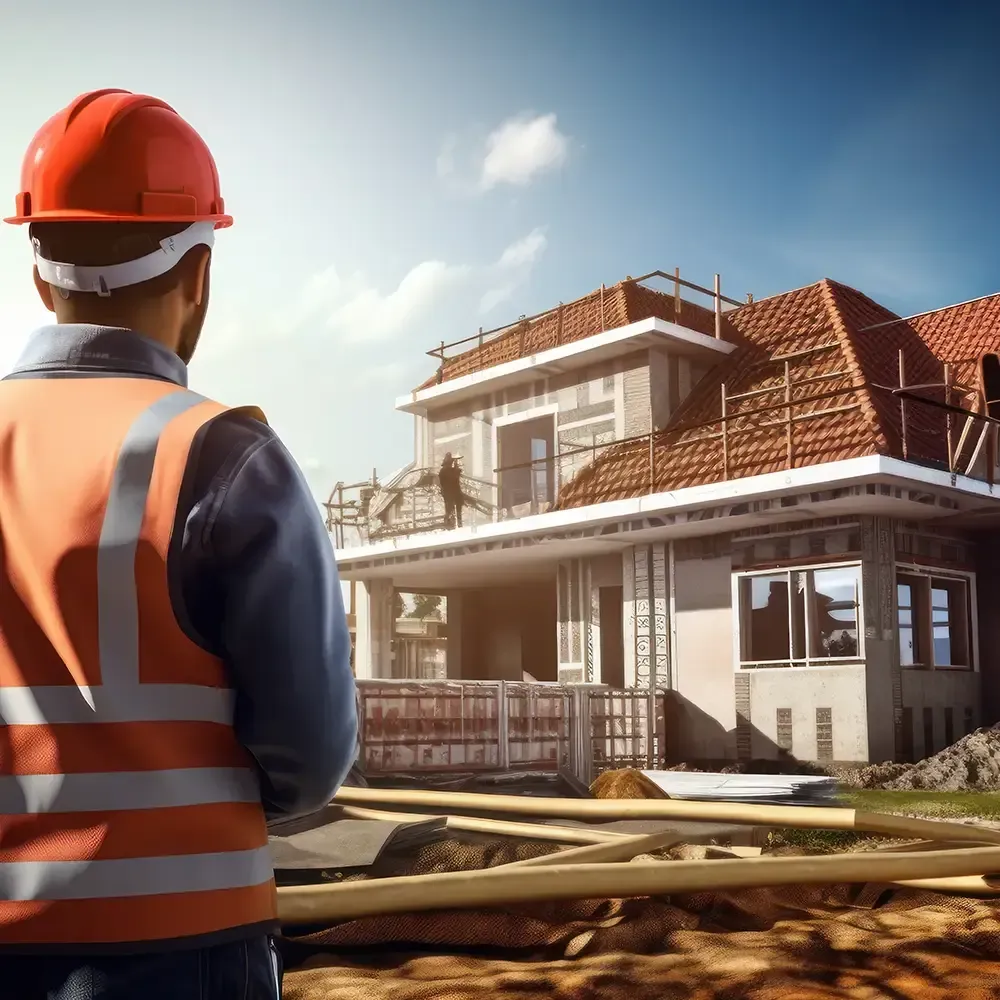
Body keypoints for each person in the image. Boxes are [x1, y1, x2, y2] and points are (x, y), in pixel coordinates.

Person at [0, 89, 358, 998]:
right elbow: (311, 755)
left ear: (39, 276)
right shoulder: (223, 457)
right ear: (199, 272)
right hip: (182, 948)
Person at [438, 452, 464, 528]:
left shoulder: (444, 470)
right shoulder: (446, 471)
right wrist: (456, 468)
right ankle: (453, 525)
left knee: (451, 510)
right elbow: (454, 476)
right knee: (451, 511)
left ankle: (453, 525)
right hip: (451, 493)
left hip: (452, 493)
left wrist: (456, 468)